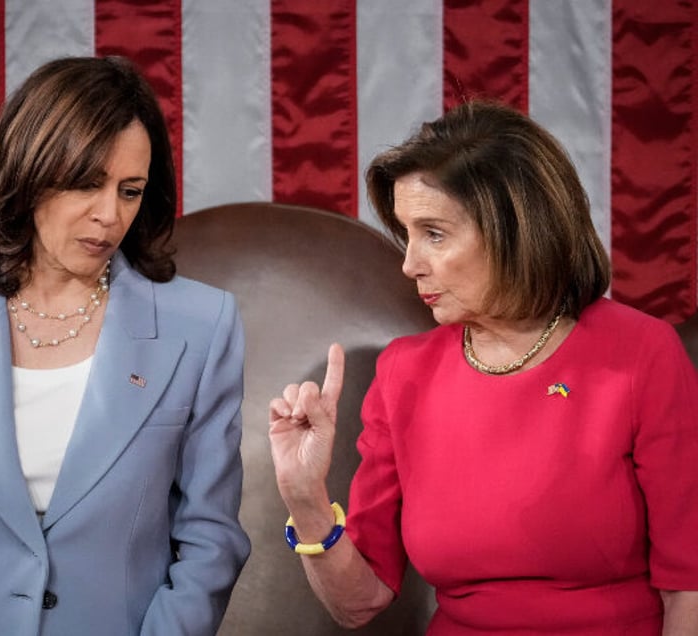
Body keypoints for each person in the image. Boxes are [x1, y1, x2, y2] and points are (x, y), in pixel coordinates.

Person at [0, 56, 249, 636]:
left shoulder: (203, 325)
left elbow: (209, 541)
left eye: (130, 190)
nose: (110, 215)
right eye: (87, 182)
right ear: (30, 171)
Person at [269, 100, 698, 634]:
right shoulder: (403, 373)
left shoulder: (642, 352)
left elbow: (689, 588)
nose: (408, 264)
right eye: (408, 233)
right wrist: (305, 498)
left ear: (514, 229)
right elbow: (359, 603)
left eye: (435, 234)